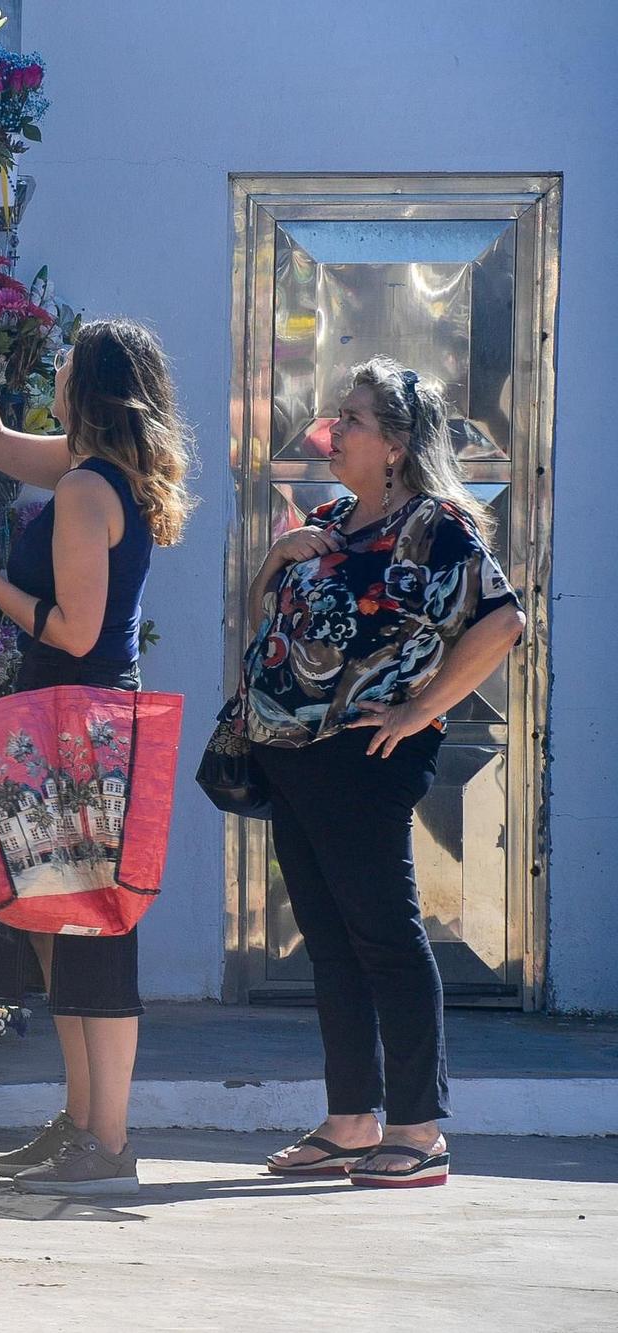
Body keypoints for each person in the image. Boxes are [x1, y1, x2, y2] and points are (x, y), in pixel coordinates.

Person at [0, 270, 196, 1196]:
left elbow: (75, 632)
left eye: (69, 367)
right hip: (76, 719)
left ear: (94, 388)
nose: (58, 377)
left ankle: (106, 1138)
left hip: (79, 726)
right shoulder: (100, 471)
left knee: (93, 932)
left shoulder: (83, 490)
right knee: (64, 925)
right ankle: (81, 1123)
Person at [245, 359, 524, 1188]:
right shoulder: (329, 519)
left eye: (354, 420)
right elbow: (269, 617)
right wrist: (275, 556)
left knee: (386, 937)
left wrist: (419, 708)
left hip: (366, 760)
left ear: (397, 445)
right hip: (294, 754)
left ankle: (417, 1128)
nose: (333, 431)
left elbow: (502, 621)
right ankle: (350, 1121)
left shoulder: (434, 527)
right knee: (330, 942)